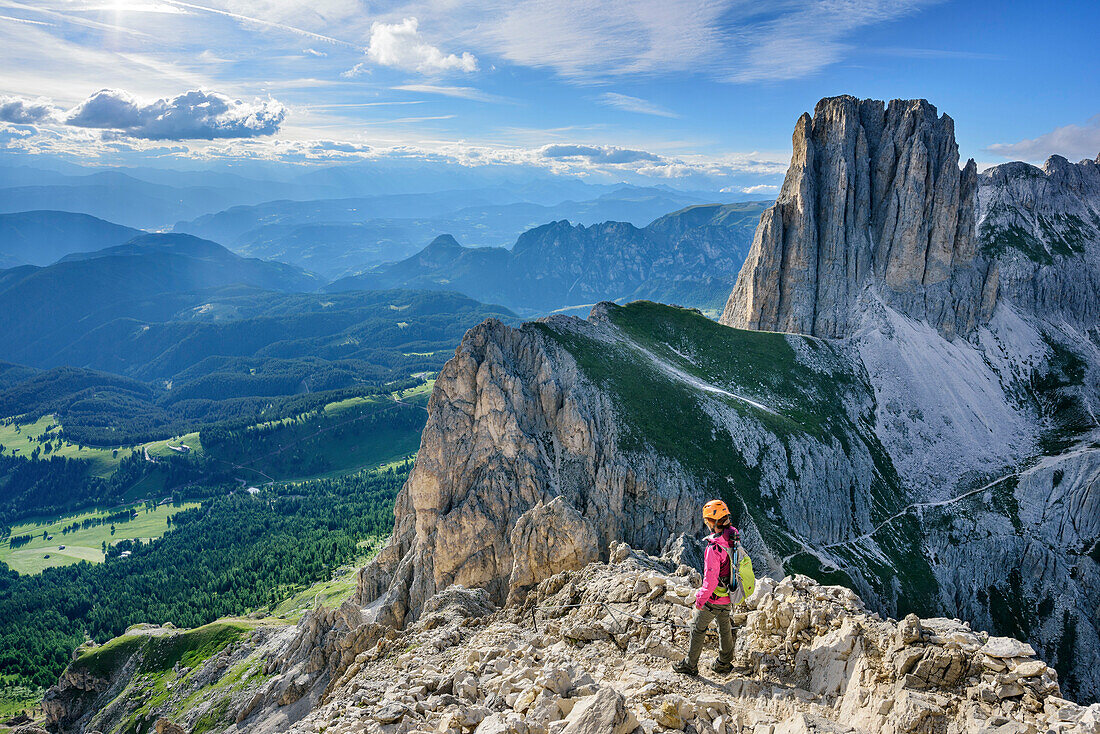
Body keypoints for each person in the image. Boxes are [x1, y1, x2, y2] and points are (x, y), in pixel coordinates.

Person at [673, 499, 749, 676]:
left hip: (713, 598)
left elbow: (711, 580)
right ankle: (724, 663)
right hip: (729, 594)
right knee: (725, 628)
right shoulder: (733, 537)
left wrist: (700, 600)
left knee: (697, 627)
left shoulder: (714, 547)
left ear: (714, 522)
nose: (706, 524)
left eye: (707, 521)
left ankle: (690, 665)